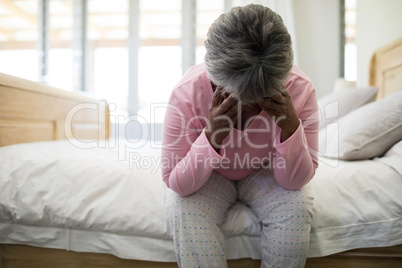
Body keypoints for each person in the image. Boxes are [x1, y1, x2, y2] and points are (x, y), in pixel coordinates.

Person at [161, 4, 319, 268]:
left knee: (297, 204)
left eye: (259, 96)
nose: (248, 107)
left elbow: (294, 182)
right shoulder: (185, 94)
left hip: (265, 171)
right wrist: (212, 135)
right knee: (183, 207)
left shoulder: (300, 89)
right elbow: (178, 184)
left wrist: (291, 128)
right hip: (211, 176)